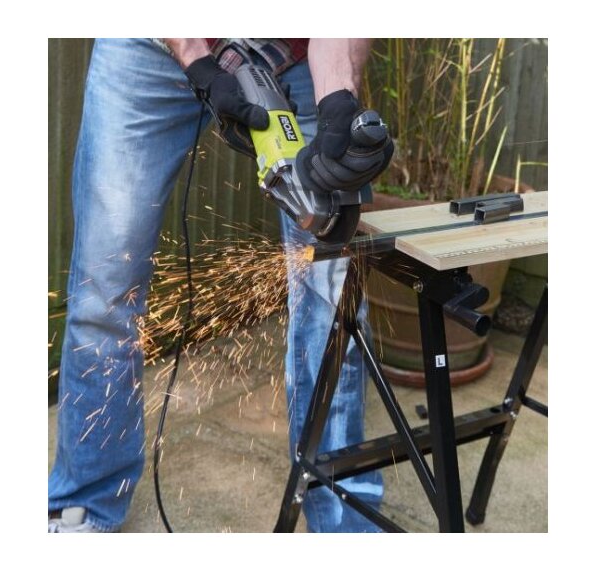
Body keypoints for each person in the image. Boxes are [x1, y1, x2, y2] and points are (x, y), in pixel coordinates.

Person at [48, 38, 392, 533]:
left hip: (294, 52)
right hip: (149, 45)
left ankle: (344, 513)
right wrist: (197, 59)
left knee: (333, 291)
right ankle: (84, 498)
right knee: (106, 284)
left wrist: (338, 97)